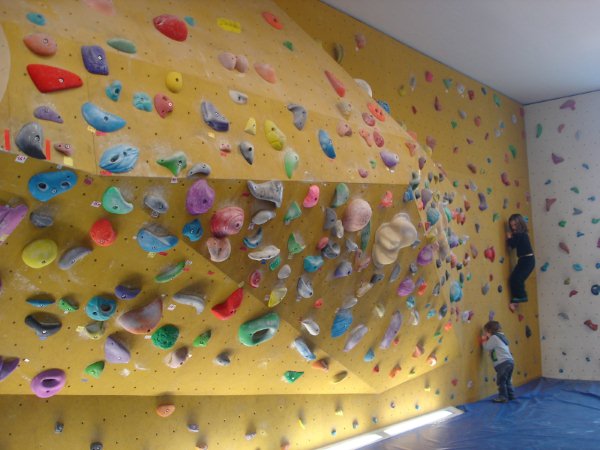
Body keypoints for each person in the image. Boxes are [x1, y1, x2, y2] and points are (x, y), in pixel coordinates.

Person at [506, 214, 535, 312]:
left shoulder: (520, 234)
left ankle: (521, 297)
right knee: (515, 279)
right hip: (525, 260)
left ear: (520, 224)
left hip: (527, 260)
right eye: (512, 226)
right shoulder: (521, 234)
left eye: (515, 225)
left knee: (517, 278)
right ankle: (516, 300)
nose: (513, 228)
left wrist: (509, 237)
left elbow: (512, 245)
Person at [482, 320, 515, 403]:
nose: (485, 334)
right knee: (507, 380)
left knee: (501, 381)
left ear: (490, 331)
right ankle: (511, 395)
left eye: (486, 332)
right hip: (510, 361)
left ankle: (503, 397)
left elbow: (487, 347)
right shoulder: (502, 337)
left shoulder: (494, 337)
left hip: (503, 363)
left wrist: (484, 340)